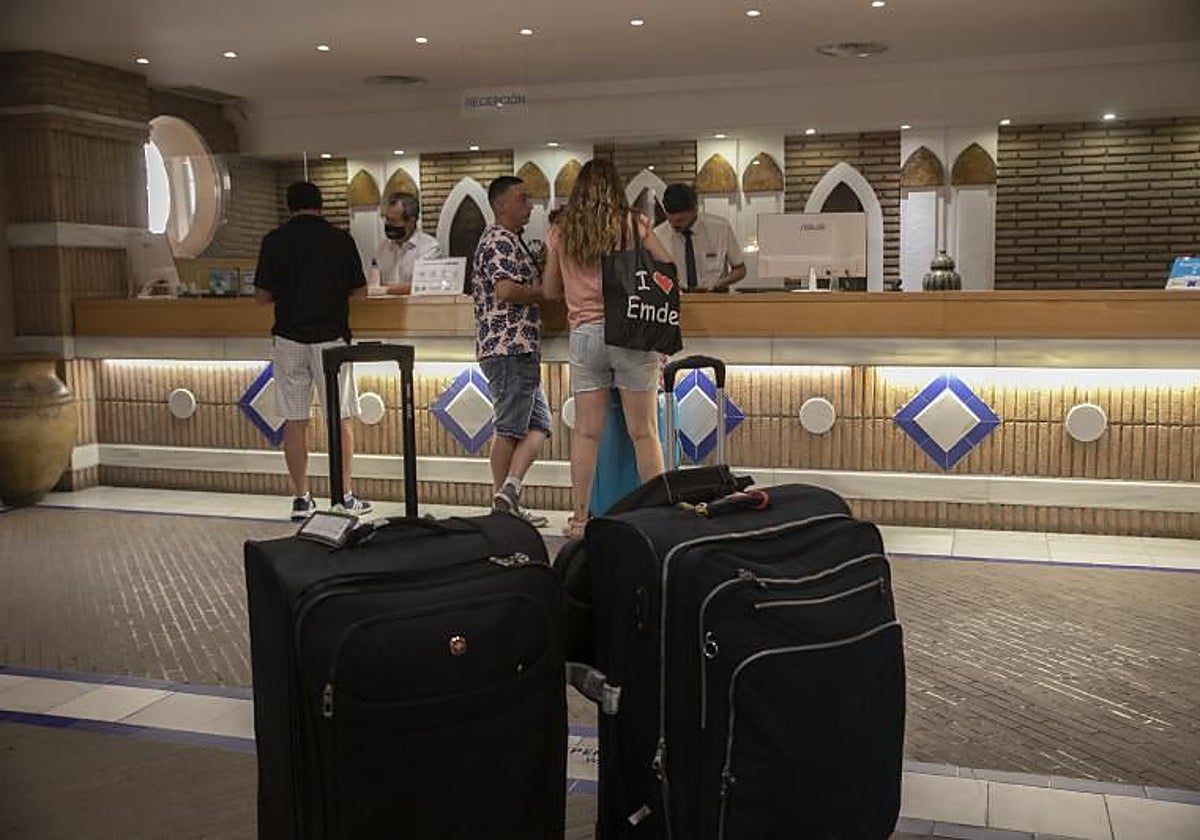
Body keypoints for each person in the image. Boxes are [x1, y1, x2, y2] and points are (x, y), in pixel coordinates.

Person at [542, 159, 674, 537]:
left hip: (585, 334)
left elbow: (550, 290)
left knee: (586, 433)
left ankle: (580, 519)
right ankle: (659, 517)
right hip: (630, 330)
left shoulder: (561, 230)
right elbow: (668, 266)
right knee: (644, 432)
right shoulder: (633, 224)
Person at [254, 181, 372, 520]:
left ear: (289, 207)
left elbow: (261, 296)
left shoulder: (274, 241)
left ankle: (301, 499)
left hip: (289, 338)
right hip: (332, 340)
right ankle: (344, 496)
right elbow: (360, 292)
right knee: (340, 416)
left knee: (294, 419)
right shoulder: (340, 240)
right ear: (321, 206)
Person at [471, 175, 551, 527]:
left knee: (540, 425)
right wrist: (544, 293)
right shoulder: (500, 240)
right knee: (509, 429)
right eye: (522, 198)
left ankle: (509, 494)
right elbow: (505, 291)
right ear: (501, 204)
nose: (529, 204)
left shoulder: (510, 240)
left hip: (519, 347)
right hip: (509, 346)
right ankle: (501, 509)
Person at [654, 183, 746, 292]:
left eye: (681, 220)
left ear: (695, 209)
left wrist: (720, 283)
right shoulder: (658, 235)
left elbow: (740, 270)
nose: (675, 225)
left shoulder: (720, 228)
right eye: (671, 221)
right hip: (676, 296)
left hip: (714, 296)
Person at [374, 192, 441, 294]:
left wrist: (383, 289)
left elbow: (422, 286)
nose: (388, 224)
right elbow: (373, 283)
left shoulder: (430, 248)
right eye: (386, 219)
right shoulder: (382, 248)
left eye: (393, 221)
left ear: (411, 221)